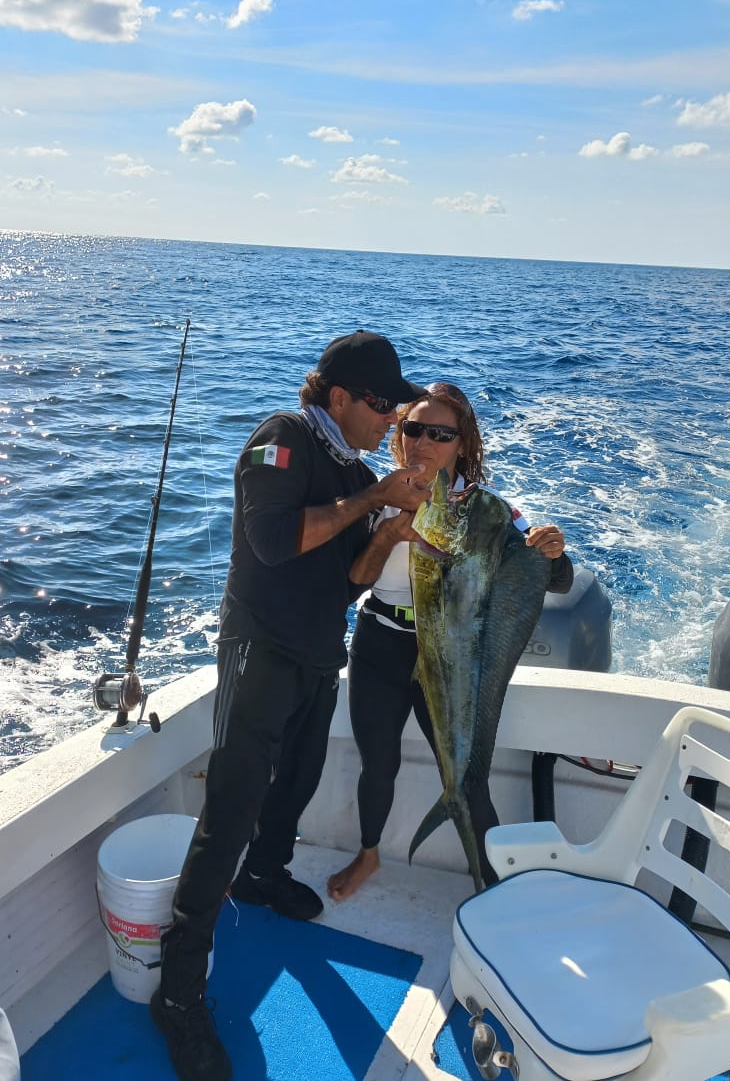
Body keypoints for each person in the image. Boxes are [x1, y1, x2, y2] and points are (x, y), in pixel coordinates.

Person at [151, 330, 432, 1081]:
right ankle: (178, 993)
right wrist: (372, 499)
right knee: (232, 809)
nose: (392, 418)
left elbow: (349, 581)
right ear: (339, 397)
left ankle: (263, 875)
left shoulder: (357, 471)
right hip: (260, 648)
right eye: (383, 403)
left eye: (397, 406)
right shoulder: (280, 441)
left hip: (316, 653)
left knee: (298, 781)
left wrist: (386, 532)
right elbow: (273, 542)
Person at [326, 381, 573, 901]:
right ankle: (369, 854)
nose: (424, 442)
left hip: (453, 654)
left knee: (465, 776)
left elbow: (555, 580)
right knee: (378, 764)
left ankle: (493, 884)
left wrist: (552, 551)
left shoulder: (491, 511)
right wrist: (388, 532)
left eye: (441, 434)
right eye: (414, 429)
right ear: (399, 433)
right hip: (379, 643)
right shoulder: (375, 497)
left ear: (463, 444)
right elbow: (352, 580)